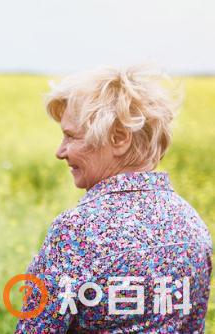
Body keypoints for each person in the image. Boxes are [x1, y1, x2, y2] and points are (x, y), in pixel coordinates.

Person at [15, 66, 212, 333]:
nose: (60, 151)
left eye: (71, 136)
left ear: (118, 138)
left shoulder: (77, 231)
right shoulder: (192, 224)